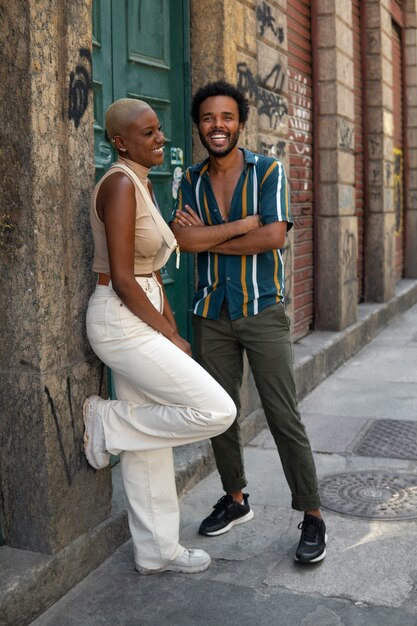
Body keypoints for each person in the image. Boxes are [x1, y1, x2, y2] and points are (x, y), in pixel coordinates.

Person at [82, 98, 244, 575]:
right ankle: (107, 422)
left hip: (141, 311)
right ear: (120, 142)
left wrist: (171, 327)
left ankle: (157, 552)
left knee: (150, 444)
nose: (162, 139)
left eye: (159, 130)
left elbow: (150, 272)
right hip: (119, 317)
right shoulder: (119, 186)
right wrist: (169, 337)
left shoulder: (143, 184)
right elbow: (125, 276)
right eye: (149, 133)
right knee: (217, 410)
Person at [170, 81, 327, 564]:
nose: (218, 126)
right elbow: (184, 242)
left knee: (283, 415)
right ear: (199, 126)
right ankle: (236, 499)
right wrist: (241, 226)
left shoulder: (268, 171)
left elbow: (274, 236)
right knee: (221, 411)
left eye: (227, 117)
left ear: (240, 122)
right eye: (208, 118)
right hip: (211, 313)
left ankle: (314, 515)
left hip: (261, 310)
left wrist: (207, 237)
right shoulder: (190, 180)